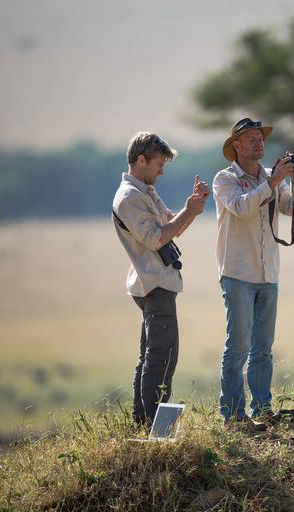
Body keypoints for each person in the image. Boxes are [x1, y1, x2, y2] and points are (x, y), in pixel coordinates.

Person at [212, 117, 294, 429]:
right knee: (238, 347)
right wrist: (273, 181)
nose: (259, 143)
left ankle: (263, 409)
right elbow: (242, 208)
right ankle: (233, 416)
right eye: (251, 139)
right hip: (238, 273)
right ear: (236, 146)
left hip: (268, 274)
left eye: (261, 138)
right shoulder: (225, 179)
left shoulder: (271, 176)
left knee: (263, 349)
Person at [112, 131, 210, 427]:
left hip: (156, 284)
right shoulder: (130, 197)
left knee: (151, 357)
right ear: (140, 160)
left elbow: (171, 226)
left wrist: (192, 208)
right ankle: (156, 429)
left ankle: (143, 424)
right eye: (158, 165)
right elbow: (157, 238)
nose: (161, 172)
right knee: (162, 359)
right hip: (154, 286)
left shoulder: (143, 191)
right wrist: (189, 211)